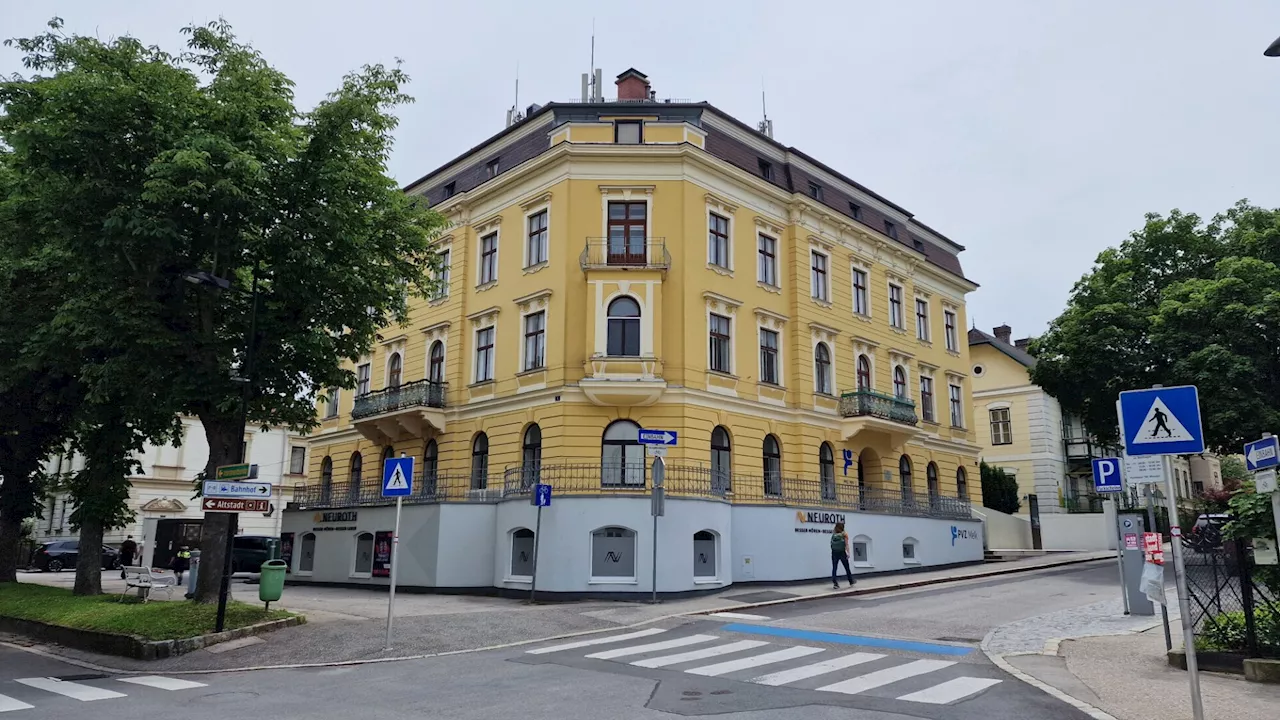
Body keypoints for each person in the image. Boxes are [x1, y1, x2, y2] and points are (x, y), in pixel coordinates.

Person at [830, 522, 855, 589]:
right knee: (847, 567)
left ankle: (835, 583)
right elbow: (846, 544)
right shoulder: (844, 534)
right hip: (842, 552)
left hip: (834, 552)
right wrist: (848, 553)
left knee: (834, 568)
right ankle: (851, 581)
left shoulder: (834, 534)